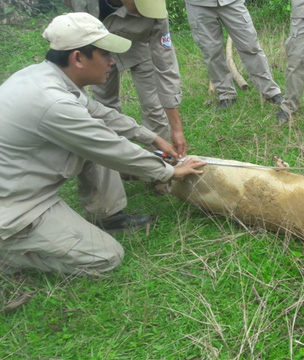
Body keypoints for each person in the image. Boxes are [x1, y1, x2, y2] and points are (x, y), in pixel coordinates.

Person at [0, 13, 206, 275]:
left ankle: (107, 215)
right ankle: (7, 253)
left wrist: (152, 137)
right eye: (105, 54)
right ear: (78, 58)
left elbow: (102, 115)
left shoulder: (45, 77)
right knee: (106, 257)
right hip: (16, 205)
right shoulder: (54, 103)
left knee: (96, 133)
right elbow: (109, 146)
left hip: (17, 183)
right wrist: (169, 171)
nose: (112, 62)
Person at [66, 0, 188, 158]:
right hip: (95, 47)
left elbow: (166, 67)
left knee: (153, 106)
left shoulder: (156, 12)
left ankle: (159, 163)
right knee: (104, 104)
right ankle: (115, 161)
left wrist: (177, 129)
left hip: (138, 45)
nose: (142, 11)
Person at [184, 0, 283, 109]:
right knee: (211, 52)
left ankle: (270, 91)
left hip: (232, 2)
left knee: (250, 45)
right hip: (198, 5)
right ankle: (226, 94)